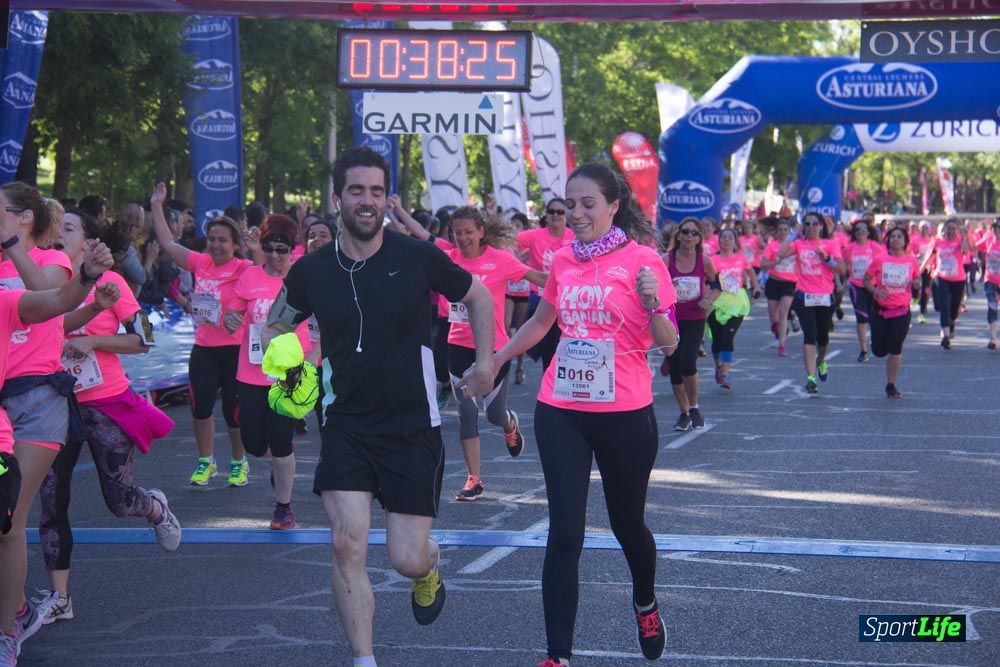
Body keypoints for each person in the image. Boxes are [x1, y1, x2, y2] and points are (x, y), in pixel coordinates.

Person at [264, 147, 496, 667]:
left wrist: (485, 363)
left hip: (412, 425)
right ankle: (363, 659)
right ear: (337, 198)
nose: (366, 201)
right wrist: (286, 361)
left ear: (387, 199)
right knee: (346, 543)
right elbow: (276, 323)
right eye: (356, 191)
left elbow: (479, 296)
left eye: (375, 191)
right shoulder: (311, 270)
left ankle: (427, 569)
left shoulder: (417, 256)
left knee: (405, 558)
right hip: (345, 423)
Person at [466, 163, 678, 666]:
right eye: (570, 204)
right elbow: (542, 321)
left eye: (588, 204)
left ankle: (645, 602)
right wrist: (495, 360)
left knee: (628, 525)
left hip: (625, 412)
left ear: (613, 206)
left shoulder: (643, 260)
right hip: (561, 408)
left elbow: (669, 344)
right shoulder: (562, 260)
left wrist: (652, 304)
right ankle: (557, 655)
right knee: (565, 533)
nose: (576, 214)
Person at [34, 208, 178, 626]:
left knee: (119, 501)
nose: (59, 233)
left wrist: (93, 341)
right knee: (51, 501)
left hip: (105, 403)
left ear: (89, 242)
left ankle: (154, 508)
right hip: (53, 403)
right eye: (57, 228)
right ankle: (60, 596)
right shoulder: (41, 283)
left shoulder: (112, 284)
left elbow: (143, 340)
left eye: (69, 228)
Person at [0, 189, 115, 663]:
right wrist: (89, 309)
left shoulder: (51, 259)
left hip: (38, 400)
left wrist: (11, 244)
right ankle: (19, 608)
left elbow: (50, 298)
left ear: (24, 217)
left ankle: (8, 630)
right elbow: (59, 319)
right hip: (3, 398)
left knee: (10, 520)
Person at [400, 205, 545, 500]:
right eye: (457, 233)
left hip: (494, 350)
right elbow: (422, 236)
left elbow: (538, 277)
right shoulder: (448, 259)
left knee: (493, 415)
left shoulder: (500, 260)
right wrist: (398, 211)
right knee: (466, 413)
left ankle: (509, 423)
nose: (463, 238)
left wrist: (575, 278)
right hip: (458, 346)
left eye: (468, 232)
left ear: (481, 232)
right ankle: (474, 479)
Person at [149, 183, 254, 486]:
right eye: (212, 239)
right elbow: (167, 243)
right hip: (205, 348)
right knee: (201, 407)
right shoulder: (201, 262)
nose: (216, 245)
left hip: (234, 350)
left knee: (233, 412)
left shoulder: (244, 267)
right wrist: (156, 205)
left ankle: (239, 462)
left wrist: (258, 250)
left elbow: (265, 288)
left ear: (235, 244)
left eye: (223, 240)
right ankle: (206, 461)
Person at [224, 214, 311, 529]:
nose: (274, 255)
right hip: (251, 372)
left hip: (287, 373)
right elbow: (232, 315)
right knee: (254, 445)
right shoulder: (249, 277)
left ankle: (283, 508)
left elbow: (323, 320)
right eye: (269, 249)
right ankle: (276, 456)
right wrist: (230, 320)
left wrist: (311, 358)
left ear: (292, 249)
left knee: (282, 443)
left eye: (281, 250)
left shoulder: (302, 278)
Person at [778, 212, 845, 394]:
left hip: (825, 297)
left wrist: (827, 258)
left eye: (815, 223)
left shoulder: (830, 244)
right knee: (810, 336)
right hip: (804, 297)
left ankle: (821, 361)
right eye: (807, 224)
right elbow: (781, 254)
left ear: (821, 226)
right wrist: (793, 234)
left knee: (822, 338)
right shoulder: (799, 244)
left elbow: (841, 270)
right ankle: (810, 378)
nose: (811, 227)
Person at [663, 218, 717, 430]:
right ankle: (684, 413)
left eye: (694, 233)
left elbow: (717, 285)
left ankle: (694, 408)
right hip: (671, 319)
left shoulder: (704, 260)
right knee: (676, 368)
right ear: (678, 235)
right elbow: (656, 285)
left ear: (699, 238)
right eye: (685, 231)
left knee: (688, 362)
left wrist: (708, 299)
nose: (689, 236)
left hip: (695, 318)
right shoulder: (666, 260)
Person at [517, 198, 573, 369]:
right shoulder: (535, 235)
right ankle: (544, 380)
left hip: (567, 301)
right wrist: (517, 262)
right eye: (551, 211)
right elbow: (507, 242)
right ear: (546, 215)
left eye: (560, 212)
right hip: (540, 300)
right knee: (548, 355)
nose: (556, 215)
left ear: (566, 215)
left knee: (564, 351)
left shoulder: (574, 236)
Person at [864, 226, 920, 397]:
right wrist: (875, 291)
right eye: (893, 236)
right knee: (879, 351)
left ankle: (891, 385)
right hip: (880, 310)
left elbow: (917, 277)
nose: (895, 239)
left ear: (905, 241)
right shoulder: (880, 260)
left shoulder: (911, 261)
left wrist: (917, 283)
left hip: (901, 311)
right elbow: (866, 280)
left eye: (899, 236)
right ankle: (879, 344)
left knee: (895, 348)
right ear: (888, 241)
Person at [707, 227, 760, 389]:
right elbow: (705, 279)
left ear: (735, 241)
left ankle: (725, 374)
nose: (727, 240)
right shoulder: (712, 260)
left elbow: (750, 272)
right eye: (724, 237)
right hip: (717, 301)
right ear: (719, 240)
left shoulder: (741, 258)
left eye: (730, 237)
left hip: (737, 302)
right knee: (717, 340)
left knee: (728, 337)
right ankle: (718, 366)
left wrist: (756, 287)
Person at [922, 218, 971, 350]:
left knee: (954, 310)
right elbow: (929, 257)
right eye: (948, 228)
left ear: (957, 230)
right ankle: (945, 336)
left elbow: (966, 252)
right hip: (941, 277)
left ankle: (951, 322)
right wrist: (919, 270)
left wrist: (964, 237)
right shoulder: (938, 242)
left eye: (953, 229)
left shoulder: (960, 241)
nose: (951, 231)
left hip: (958, 279)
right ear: (944, 229)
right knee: (944, 306)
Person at [842, 219, 885, 362]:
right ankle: (863, 350)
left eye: (863, 229)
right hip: (856, 286)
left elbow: (884, 264)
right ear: (854, 233)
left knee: (874, 317)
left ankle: (876, 339)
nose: (860, 232)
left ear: (868, 232)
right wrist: (842, 279)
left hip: (873, 286)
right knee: (861, 318)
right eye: (857, 229)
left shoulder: (875, 247)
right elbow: (841, 264)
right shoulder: (849, 248)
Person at [761, 218, 798, 357]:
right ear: (776, 232)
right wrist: (774, 263)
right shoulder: (771, 246)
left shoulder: (794, 246)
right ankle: (776, 326)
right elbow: (763, 265)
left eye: (785, 230)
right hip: (774, 282)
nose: (783, 232)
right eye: (780, 230)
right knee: (774, 317)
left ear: (789, 232)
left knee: (783, 312)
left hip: (790, 283)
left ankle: (782, 345)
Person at [978, 220, 1000, 349]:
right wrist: (965, 236)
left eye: (999, 228)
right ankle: (993, 339)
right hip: (990, 279)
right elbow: (974, 247)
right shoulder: (988, 240)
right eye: (994, 228)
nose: (996, 231)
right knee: (992, 307)